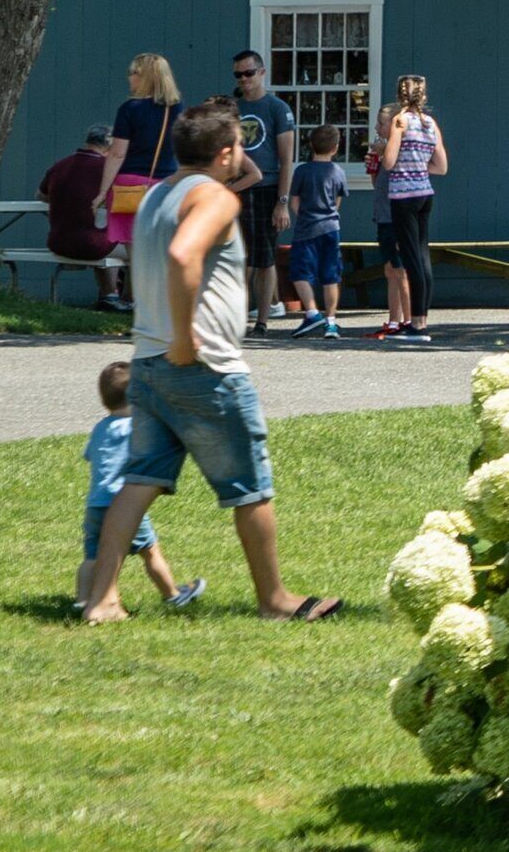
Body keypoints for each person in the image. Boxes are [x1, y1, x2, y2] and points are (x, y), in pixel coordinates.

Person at [77, 98, 338, 623]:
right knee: (252, 488)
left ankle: (103, 600)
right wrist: (185, 339)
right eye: (240, 145)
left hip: (147, 366)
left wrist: (168, 342)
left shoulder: (155, 197)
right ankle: (275, 601)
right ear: (224, 154)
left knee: (139, 481)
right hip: (205, 368)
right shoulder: (215, 198)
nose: (242, 153)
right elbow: (182, 256)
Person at [79, 360, 200, 614]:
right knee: (150, 551)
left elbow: (91, 456)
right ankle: (173, 594)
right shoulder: (138, 429)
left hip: (96, 503)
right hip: (124, 503)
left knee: (92, 556)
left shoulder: (100, 428)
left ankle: (82, 600)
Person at [370, 74, 445, 343]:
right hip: (426, 193)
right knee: (423, 257)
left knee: (411, 259)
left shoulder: (400, 121)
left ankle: (416, 324)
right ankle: (422, 320)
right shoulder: (430, 123)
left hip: (404, 196)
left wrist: (387, 148)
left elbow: (389, 162)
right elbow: (441, 166)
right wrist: (418, 166)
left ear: (401, 96)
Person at [227, 49, 298, 330]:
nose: (244, 79)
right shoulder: (234, 108)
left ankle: (263, 319)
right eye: (238, 74)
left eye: (249, 73)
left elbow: (286, 158)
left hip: (266, 188)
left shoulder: (277, 109)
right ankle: (236, 315)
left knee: (265, 257)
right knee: (239, 256)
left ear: (262, 72)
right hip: (235, 187)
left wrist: (282, 201)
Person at [39, 125, 131, 311]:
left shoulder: (61, 165)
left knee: (104, 235)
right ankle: (130, 301)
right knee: (136, 247)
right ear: (110, 146)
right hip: (90, 245)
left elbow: (40, 196)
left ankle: (109, 296)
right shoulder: (108, 170)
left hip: (58, 242)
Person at [283, 125, 349, 338]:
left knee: (300, 273)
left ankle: (311, 312)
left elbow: (294, 200)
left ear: (311, 145)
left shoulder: (302, 170)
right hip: (331, 228)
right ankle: (331, 321)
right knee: (331, 275)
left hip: (306, 229)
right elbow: (338, 201)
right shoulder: (338, 171)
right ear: (335, 148)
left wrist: (302, 216)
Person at [108, 52, 183, 238]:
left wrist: (102, 191)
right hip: (166, 183)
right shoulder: (176, 108)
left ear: (144, 77)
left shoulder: (129, 108)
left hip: (130, 185)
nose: (129, 77)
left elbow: (117, 153)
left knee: (135, 256)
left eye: (133, 72)